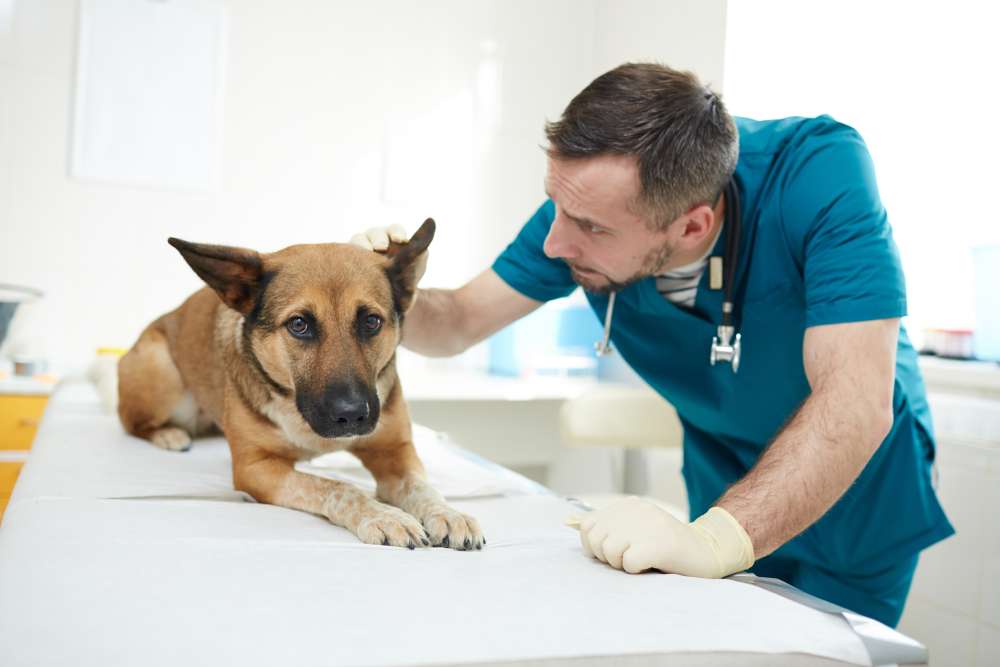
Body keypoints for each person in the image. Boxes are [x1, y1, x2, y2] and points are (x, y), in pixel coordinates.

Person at [351, 62, 953, 628]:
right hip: (725, 482)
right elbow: (456, 322)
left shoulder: (818, 174)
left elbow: (854, 402)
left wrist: (716, 541)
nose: (556, 243)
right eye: (556, 206)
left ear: (693, 226)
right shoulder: (586, 206)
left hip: (857, 496)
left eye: (589, 228)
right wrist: (387, 292)